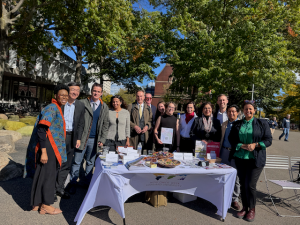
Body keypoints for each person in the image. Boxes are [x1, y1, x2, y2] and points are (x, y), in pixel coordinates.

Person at [24, 84, 69, 215]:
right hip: (49, 147)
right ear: (56, 95)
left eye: (66, 95)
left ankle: (36, 203)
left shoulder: (56, 107)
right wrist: (43, 151)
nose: (64, 97)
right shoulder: (52, 107)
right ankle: (45, 205)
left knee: (42, 175)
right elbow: (42, 129)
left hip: (50, 146)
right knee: (49, 176)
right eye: (62, 95)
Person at [228, 100, 272, 222]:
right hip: (240, 158)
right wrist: (241, 145)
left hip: (255, 159)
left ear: (254, 110)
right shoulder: (237, 124)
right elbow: (231, 138)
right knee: (242, 184)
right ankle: (245, 207)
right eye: (246, 109)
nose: (248, 111)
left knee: (251, 185)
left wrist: (256, 145)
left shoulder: (262, 123)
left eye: (250, 109)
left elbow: (268, 140)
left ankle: (252, 209)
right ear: (243, 111)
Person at [68, 83, 109, 194]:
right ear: (91, 91)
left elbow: (106, 124)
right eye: (94, 91)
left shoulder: (104, 106)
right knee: (77, 161)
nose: (96, 93)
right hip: (81, 138)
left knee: (91, 162)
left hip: (95, 140)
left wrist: (103, 139)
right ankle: (72, 183)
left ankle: (87, 183)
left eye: (98, 91)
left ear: (101, 93)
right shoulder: (82, 103)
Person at [55, 82, 85, 201]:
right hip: (59, 136)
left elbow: (81, 123)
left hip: (72, 137)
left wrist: (78, 138)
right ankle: (50, 190)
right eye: (73, 90)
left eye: (77, 90)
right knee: (56, 163)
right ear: (68, 91)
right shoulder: (60, 103)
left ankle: (59, 188)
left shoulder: (80, 105)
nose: (75, 92)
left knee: (66, 164)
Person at [219, 104, 241, 211]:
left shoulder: (242, 124)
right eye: (229, 112)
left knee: (236, 177)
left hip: (236, 153)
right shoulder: (224, 124)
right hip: (224, 151)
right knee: (223, 175)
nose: (231, 113)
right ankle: (223, 196)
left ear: (237, 113)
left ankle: (235, 199)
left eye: (233, 111)